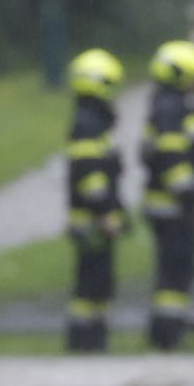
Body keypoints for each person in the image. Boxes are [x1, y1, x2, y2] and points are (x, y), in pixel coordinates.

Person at [137, 38, 194, 349]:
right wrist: (191, 201)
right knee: (175, 272)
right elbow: (174, 161)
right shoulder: (171, 109)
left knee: (177, 272)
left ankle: (167, 332)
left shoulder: (170, 105)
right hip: (174, 209)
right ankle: (167, 336)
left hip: (172, 208)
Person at [59, 47, 128, 353]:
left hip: (92, 218)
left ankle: (93, 340)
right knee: (91, 284)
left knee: (98, 283)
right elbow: (89, 175)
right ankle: (85, 342)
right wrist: (106, 213)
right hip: (92, 221)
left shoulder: (89, 120)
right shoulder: (88, 123)